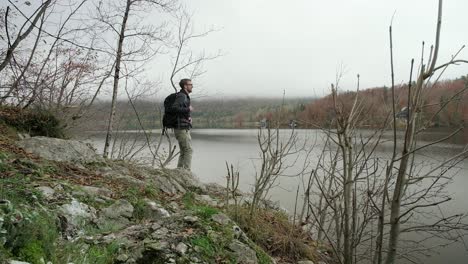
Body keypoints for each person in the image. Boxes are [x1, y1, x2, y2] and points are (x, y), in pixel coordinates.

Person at [170, 78, 193, 170]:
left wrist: (188, 117)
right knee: (188, 150)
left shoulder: (184, 96)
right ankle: (186, 172)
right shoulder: (182, 96)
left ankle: (180, 170)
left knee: (184, 150)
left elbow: (180, 111)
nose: (192, 86)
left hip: (182, 127)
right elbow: (174, 108)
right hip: (180, 128)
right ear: (185, 86)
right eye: (190, 84)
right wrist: (188, 109)